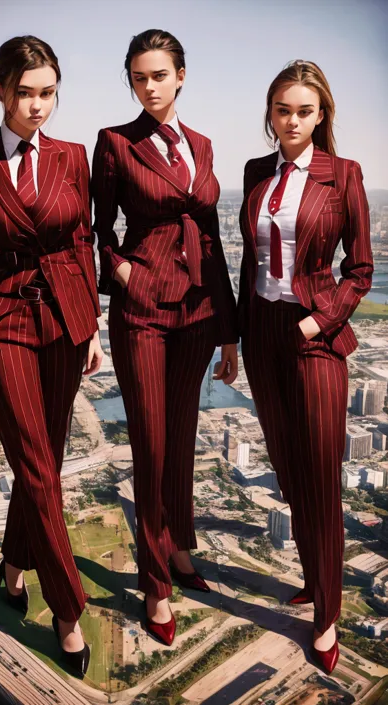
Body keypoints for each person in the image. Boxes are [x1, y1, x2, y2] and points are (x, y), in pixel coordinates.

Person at [0, 35, 103, 677]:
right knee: (40, 468)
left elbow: (84, 237)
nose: (38, 106)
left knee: (42, 461)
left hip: (66, 319)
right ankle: (67, 610)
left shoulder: (73, 155)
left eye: (48, 94)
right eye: (25, 93)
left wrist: (92, 321)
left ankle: (11, 573)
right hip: (4, 315)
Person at [92, 29, 238, 646]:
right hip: (143, 313)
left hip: (199, 313)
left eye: (158, 75)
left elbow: (211, 236)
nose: (148, 87)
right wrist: (126, 275)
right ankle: (155, 586)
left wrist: (229, 332)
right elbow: (96, 232)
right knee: (151, 445)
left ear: (181, 75)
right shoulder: (115, 143)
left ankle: (179, 550)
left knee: (183, 440)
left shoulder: (202, 145)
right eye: (137, 77)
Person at [238, 59, 373, 674]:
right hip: (262, 334)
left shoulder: (343, 175)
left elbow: (361, 270)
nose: (291, 121)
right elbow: (248, 263)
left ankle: (326, 616)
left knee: (321, 481)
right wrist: (234, 340)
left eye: (303, 111)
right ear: (270, 113)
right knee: (290, 473)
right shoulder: (254, 173)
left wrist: (321, 320)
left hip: (315, 335)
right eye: (282, 110)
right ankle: (316, 580)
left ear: (322, 116)